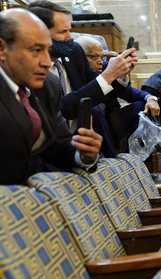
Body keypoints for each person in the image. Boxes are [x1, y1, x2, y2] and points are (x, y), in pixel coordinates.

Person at [0, 8, 102, 185]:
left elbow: (58, 146)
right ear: (2, 49)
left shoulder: (49, 85)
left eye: (48, 50)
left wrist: (84, 154)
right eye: (36, 50)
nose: (46, 62)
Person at [28, 1, 137, 124]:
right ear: (41, 34)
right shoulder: (30, 67)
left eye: (70, 30)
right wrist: (108, 75)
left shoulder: (74, 51)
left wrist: (120, 73)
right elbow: (64, 109)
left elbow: (101, 91)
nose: (70, 37)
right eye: (63, 32)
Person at [75, 35, 160, 155]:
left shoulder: (105, 68)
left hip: (112, 118)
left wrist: (150, 98)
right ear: (78, 57)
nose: (100, 61)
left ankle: (141, 155)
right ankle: (112, 156)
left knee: (143, 106)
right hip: (92, 120)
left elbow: (128, 93)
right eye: (93, 57)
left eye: (102, 56)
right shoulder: (74, 72)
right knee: (95, 109)